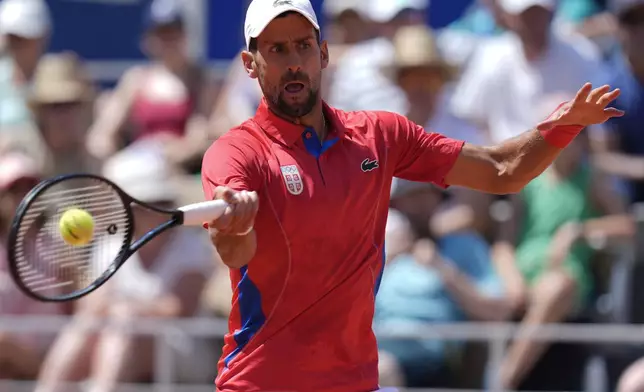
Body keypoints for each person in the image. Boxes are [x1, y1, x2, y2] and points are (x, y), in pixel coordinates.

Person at [200, 0, 623, 390]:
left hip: (355, 382)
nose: (294, 63)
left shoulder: (381, 135)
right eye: (276, 51)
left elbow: (502, 171)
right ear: (249, 64)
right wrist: (233, 227)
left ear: (323, 53)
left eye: (302, 46)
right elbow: (236, 252)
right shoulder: (235, 153)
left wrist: (563, 127)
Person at [85, 0, 213, 174]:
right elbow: (103, 134)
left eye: (173, 33)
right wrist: (114, 162)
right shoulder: (136, 79)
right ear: (149, 39)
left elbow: (198, 139)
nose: (167, 41)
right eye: (161, 34)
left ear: (184, 36)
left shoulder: (199, 80)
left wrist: (165, 155)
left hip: (181, 174)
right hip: (140, 170)